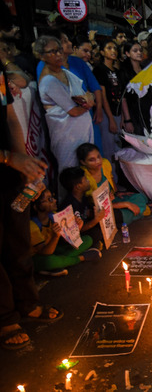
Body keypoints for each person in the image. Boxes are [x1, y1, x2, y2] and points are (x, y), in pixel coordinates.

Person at [0, 45, 61, 350]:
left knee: (18, 240)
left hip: (10, 174)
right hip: (5, 162)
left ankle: (27, 302)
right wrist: (9, 157)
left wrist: (23, 161)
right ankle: (5, 318)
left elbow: (10, 116)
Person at [36, 35, 94, 177]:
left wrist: (88, 100)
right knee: (70, 173)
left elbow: (86, 92)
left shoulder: (66, 73)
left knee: (87, 170)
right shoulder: (48, 81)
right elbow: (73, 111)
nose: (58, 55)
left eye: (59, 50)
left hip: (82, 131)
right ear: (42, 56)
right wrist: (88, 105)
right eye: (52, 52)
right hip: (66, 135)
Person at [77, 143, 150, 226]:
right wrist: (125, 204)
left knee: (139, 196)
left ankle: (137, 211)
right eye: (92, 160)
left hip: (113, 198)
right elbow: (97, 206)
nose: (98, 161)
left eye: (98, 156)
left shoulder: (105, 164)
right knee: (123, 214)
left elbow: (111, 179)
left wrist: (117, 193)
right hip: (100, 208)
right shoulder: (84, 178)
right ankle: (140, 211)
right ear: (83, 162)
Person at [30, 189, 98, 275]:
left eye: (53, 197)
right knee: (49, 261)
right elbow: (46, 252)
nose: (55, 200)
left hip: (55, 250)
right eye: (49, 199)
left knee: (87, 239)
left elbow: (69, 240)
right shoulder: (32, 226)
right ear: (36, 207)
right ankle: (80, 258)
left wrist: (77, 228)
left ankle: (61, 263)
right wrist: (56, 236)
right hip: (40, 256)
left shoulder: (54, 216)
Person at [93, 40, 124, 166]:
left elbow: (121, 95)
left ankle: (118, 178)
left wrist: (121, 117)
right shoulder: (99, 70)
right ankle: (112, 180)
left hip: (118, 112)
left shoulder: (117, 71)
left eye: (115, 48)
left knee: (118, 147)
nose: (113, 51)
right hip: (107, 114)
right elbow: (103, 96)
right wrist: (110, 118)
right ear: (102, 52)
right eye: (109, 48)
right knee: (108, 149)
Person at [59, 167, 104, 246]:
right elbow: (76, 231)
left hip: (87, 226)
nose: (88, 181)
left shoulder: (83, 197)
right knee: (96, 233)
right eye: (85, 179)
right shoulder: (69, 207)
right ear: (78, 186)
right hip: (76, 236)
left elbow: (87, 214)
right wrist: (96, 220)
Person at [119, 41, 144, 135]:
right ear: (127, 53)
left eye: (140, 50)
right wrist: (127, 119)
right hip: (132, 111)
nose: (139, 53)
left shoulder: (145, 69)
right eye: (135, 51)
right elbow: (123, 98)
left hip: (145, 109)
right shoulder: (124, 72)